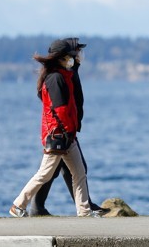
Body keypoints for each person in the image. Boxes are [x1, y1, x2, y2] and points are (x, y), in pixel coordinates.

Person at [9, 39, 99, 218]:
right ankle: (18, 205)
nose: (72, 59)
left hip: (68, 135)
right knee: (44, 174)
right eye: (69, 57)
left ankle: (84, 211)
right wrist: (66, 131)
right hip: (59, 135)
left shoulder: (62, 75)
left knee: (79, 172)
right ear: (61, 58)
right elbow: (60, 110)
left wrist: (71, 132)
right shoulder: (55, 78)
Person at [29, 38, 109, 216]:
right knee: (65, 170)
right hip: (63, 130)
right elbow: (60, 106)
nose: (80, 55)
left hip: (67, 128)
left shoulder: (70, 71)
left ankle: (40, 207)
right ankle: (82, 206)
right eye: (78, 51)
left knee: (57, 170)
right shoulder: (63, 74)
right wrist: (66, 130)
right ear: (67, 56)